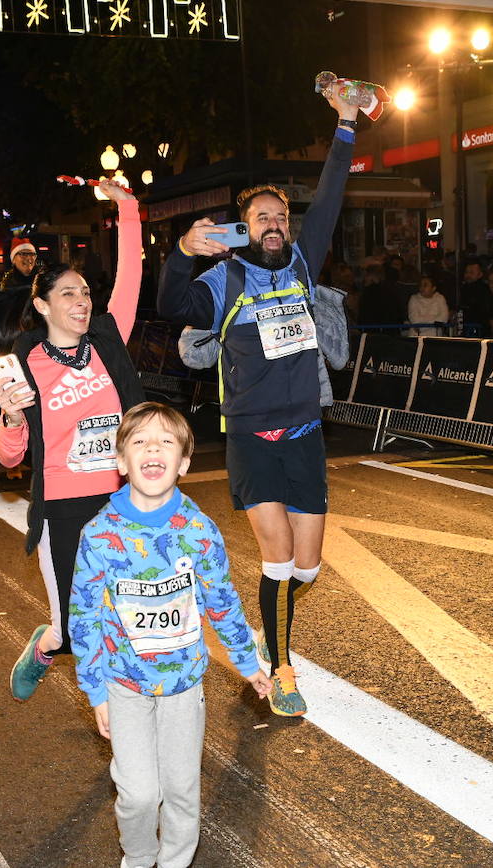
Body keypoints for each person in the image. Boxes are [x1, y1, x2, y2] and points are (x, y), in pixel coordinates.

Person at [156, 86, 359, 718]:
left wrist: (347, 124)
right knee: (276, 564)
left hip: (305, 435)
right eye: (261, 218)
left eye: (281, 217)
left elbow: (329, 199)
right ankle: (280, 668)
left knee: (307, 567)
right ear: (244, 230)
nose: (274, 225)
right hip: (250, 439)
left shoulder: (302, 264)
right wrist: (184, 253)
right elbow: (168, 306)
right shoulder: (224, 279)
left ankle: (275, 633)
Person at [70, 402, 272, 868]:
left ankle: (177, 861)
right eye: (139, 441)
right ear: (121, 462)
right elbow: (83, 618)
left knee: (181, 789)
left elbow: (222, 602)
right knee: (139, 794)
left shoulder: (200, 531)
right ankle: (139, 857)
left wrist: (247, 663)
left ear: (182, 463)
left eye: (166, 441)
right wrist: (95, 690)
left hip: (184, 685)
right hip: (125, 686)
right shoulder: (98, 535)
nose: (153, 448)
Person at [0, 179, 143, 701]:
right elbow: (10, 457)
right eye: (67, 294)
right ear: (44, 305)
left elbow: (131, 278)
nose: (81, 302)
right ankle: (47, 644)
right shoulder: (24, 368)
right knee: (74, 628)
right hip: (65, 506)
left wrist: (127, 209)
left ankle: (129, 721)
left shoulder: (108, 341)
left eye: (86, 293)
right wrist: (10, 418)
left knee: (128, 615)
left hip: (123, 496)